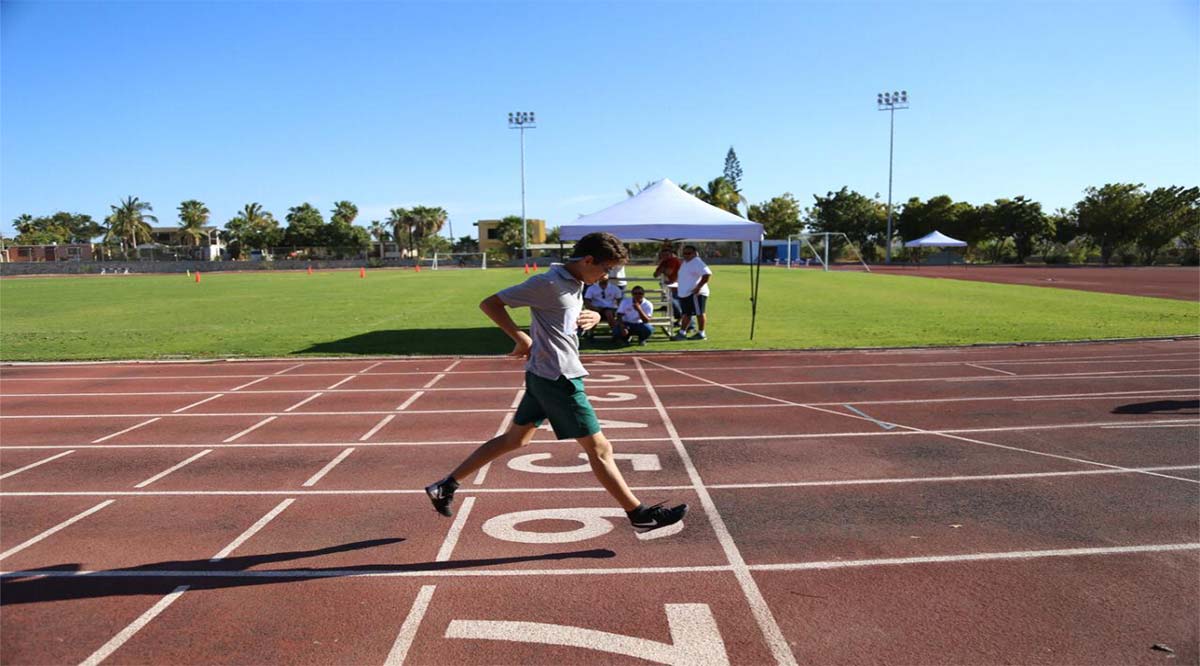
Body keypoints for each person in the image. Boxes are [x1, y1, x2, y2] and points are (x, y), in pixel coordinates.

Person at [425, 232, 687, 532]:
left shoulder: (575, 283)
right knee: (600, 449)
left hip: (543, 373)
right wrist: (521, 337)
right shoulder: (546, 283)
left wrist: (595, 317)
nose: (606, 276)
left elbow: (564, 318)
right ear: (588, 260)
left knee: (515, 440)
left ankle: (445, 486)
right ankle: (639, 514)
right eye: (604, 269)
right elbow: (491, 304)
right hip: (559, 378)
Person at [674, 244, 712, 340]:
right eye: (684, 253)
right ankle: (682, 333)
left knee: (699, 313)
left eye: (689, 253)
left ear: (695, 253)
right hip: (686, 293)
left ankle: (701, 333)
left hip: (695, 293)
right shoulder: (686, 262)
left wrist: (698, 287)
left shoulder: (697, 262)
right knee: (686, 313)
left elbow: (707, 274)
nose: (686, 255)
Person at [583, 274, 622, 338]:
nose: (603, 279)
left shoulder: (614, 288)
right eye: (601, 277)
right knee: (594, 314)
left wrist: (619, 312)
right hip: (596, 308)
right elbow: (587, 301)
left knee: (608, 313)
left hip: (610, 309)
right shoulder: (592, 288)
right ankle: (589, 333)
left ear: (608, 278)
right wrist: (593, 308)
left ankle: (616, 333)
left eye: (605, 277)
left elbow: (619, 301)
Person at [653, 247, 683, 329]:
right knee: (672, 303)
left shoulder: (673, 260)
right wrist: (662, 270)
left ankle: (685, 323)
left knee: (677, 304)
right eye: (663, 255)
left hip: (676, 286)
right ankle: (680, 321)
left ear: (671, 254)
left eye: (666, 255)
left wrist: (661, 270)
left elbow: (668, 272)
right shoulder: (664, 262)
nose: (664, 256)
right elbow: (655, 275)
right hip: (668, 286)